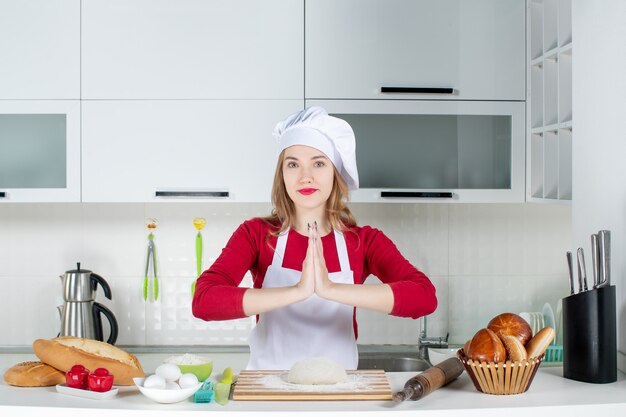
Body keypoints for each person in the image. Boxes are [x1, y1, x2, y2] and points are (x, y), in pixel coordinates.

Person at [192, 106, 437, 370]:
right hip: (268, 391)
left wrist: (331, 289)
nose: (305, 176)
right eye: (293, 164)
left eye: (318, 163)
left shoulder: (364, 242)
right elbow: (204, 300)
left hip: (338, 392)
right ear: (282, 174)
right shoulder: (255, 235)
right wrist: (297, 291)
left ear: (335, 172)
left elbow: (424, 297)